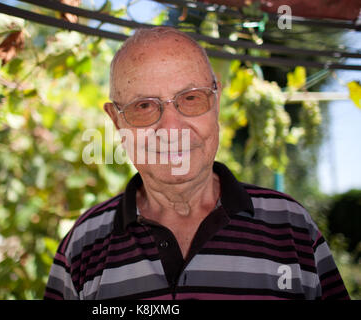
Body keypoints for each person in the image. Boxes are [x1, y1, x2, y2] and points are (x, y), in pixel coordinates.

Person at [44, 27, 350, 300]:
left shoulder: (292, 227)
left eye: (190, 99)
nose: (171, 128)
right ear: (116, 120)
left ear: (215, 102)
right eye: (144, 106)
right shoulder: (83, 246)